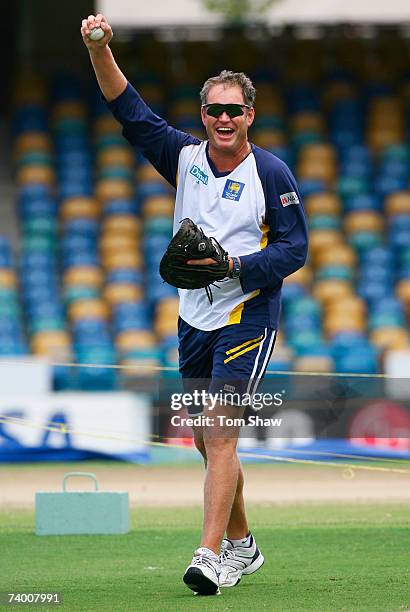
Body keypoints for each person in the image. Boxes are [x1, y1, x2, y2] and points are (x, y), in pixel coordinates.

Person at [81, 13, 308, 597]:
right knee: (206, 439)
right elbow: (128, 110)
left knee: (220, 431)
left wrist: (237, 267)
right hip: (193, 314)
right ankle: (245, 544)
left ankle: (210, 556)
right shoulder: (183, 158)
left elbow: (295, 248)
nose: (225, 119)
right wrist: (98, 47)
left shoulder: (271, 173)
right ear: (203, 115)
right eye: (214, 110)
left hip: (247, 313)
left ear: (249, 115)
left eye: (235, 110)